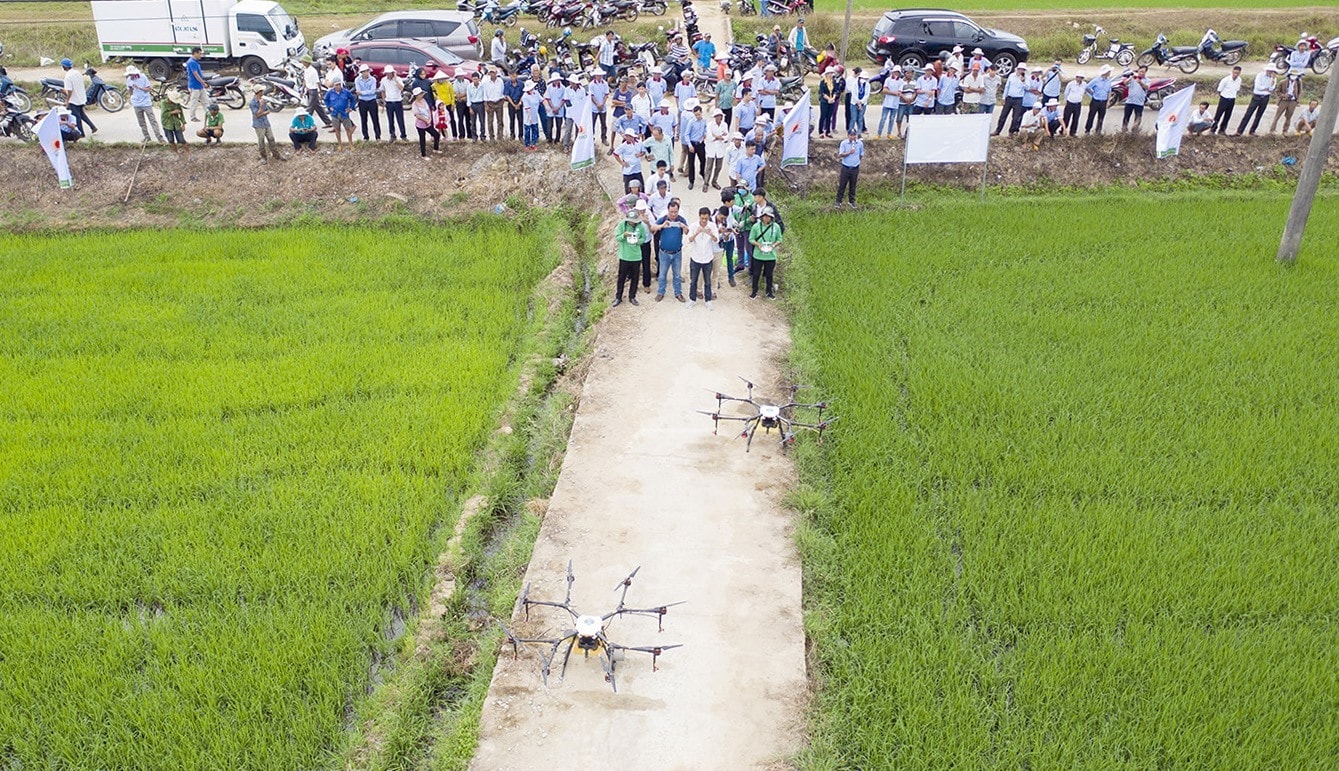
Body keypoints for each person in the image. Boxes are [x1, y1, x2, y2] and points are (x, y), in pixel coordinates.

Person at [613, 202, 650, 307]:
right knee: (621, 277)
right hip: (624, 256)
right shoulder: (622, 225)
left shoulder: (640, 226)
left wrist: (638, 241)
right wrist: (624, 235)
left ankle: (632, 296)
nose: (632, 223)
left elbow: (644, 238)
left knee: (635, 277)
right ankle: (618, 297)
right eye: (631, 221)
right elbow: (617, 238)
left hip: (636, 257)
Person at [652, 199, 688, 302]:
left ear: (678, 211)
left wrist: (683, 226)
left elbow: (687, 232)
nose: (673, 214)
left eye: (675, 212)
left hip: (677, 253)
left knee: (677, 275)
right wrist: (662, 226)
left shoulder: (681, 219)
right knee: (662, 274)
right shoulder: (663, 219)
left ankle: (678, 293)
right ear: (668, 210)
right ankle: (660, 292)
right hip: (664, 253)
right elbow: (653, 228)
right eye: (671, 212)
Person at [686, 206, 719, 308]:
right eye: (702, 218)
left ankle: (708, 300)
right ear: (699, 217)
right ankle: (692, 299)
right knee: (693, 280)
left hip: (708, 258)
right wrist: (697, 232)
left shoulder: (712, 226)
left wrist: (711, 233)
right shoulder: (693, 226)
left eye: (706, 219)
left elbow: (716, 240)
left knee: (707, 281)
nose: (704, 221)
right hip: (696, 257)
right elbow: (689, 240)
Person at [748, 207, 782, 299]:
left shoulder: (776, 227)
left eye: (768, 217)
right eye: (764, 216)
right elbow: (751, 239)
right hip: (758, 255)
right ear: (761, 217)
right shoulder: (756, 226)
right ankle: (754, 291)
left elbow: (779, 239)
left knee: (769, 274)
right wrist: (758, 245)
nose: (766, 218)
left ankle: (769, 292)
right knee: (756, 274)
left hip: (770, 256)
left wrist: (773, 246)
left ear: (772, 217)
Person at [125, 65, 164, 144]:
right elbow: (129, 91)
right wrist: (131, 90)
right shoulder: (129, 79)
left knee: (152, 121)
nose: (131, 76)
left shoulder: (143, 77)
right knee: (141, 122)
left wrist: (139, 88)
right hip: (136, 103)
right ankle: (147, 137)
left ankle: (159, 138)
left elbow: (149, 89)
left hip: (146, 103)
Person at [1236, 65, 1277, 136]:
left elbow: (1271, 88)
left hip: (1265, 98)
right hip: (1257, 96)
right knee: (1248, 114)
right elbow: (1258, 87)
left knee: (1259, 115)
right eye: (1269, 70)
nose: (1270, 72)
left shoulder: (1273, 78)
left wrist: (1272, 80)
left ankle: (1252, 131)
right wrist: (1266, 88)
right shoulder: (1260, 75)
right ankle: (1239, 131)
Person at [249, 83, 285, 163]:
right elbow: (257, 115)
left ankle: (276, 155)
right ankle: (263, 157)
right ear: (258, 92)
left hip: (265, 123)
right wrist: (261, 107)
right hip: (259, 125)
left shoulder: (263, 100)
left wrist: (263, 112)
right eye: (261, 91)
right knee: (261, 141)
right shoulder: (253, 103)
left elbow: (267, 111)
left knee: (271, 139)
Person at [60, 58, 96, 136]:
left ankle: (81, 133)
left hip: (74, 100)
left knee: (77, 117)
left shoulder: (67, 77)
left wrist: (67, 100)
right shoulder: (77, 73)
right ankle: (92, 127)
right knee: (82, 114)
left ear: (64, 67)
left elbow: (69, 91)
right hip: (81, 97)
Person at [324, 78, 356, 151]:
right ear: (334, 86)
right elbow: (326, 99)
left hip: (344, 113)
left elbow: (352, 99)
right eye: (336, 85)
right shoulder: (330, 92)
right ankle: (340, 144)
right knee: (337, 129)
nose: (338, 86)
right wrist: (329, 107)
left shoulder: (346, 92)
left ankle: (350, 144)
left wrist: (350, 108)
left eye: (339, 84)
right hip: (335, 113)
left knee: (348, 129)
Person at [301, 56, 332, 128]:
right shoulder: (306, 70)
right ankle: (328, 122)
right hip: (308, 90)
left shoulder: (313, 71)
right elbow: (305, 81)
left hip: (313, 91)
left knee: (309, 108)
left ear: (306, 62)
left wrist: (320, 92)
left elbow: (318, 82)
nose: (302, 63)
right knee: (318, 108)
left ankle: (305, 124)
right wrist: (302, 90)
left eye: (303, 62)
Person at [353, 64, 382, 141]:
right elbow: (358, 91)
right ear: (361, 72)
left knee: (375, 119)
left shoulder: (373, 79)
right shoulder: (357, 80)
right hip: (362, 101)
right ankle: (365, 136)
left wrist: (362, 93)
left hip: (372, 101)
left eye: (367, 71)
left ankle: (378, 136)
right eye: (364, 71)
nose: (366, 73)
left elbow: (372, 91)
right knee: (363, 119)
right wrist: (364, 92)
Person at [835, 128, 862, 209]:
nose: (852, 137)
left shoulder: (860, 143)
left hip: (855, 168)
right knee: (842, 185)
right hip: (846, 168)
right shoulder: (844, 143)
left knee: (853, 185)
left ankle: (851, 201)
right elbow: (840, 155)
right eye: (851, 135)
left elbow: (861, 155)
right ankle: (838, 201)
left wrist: (856, 162)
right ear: (848, 135)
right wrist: (849, 152)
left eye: (854, 135)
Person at [379, 67, 407, 142]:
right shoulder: (383, 80)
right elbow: (382, 90)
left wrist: (395, 80)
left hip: (397, 101)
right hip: (389, 102)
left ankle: (403, 135)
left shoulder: (398, 79)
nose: (388, 74)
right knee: (390, 120)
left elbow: (401, 88)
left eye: (389, 73)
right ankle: (392, 135)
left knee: (400, 120)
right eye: (387, 73)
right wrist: (384, 100)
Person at [705, 108, 730, 189]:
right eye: (717, 116)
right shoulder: (710, 124)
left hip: (720, 149)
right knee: (709, 167)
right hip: (711, 148)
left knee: (718, 167)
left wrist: (717, 136)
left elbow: (727, 137)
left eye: (720, 116)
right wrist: (719, 136)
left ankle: (714, 181)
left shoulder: (724, 125)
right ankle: (706, 183)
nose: (719, 117)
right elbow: (709, 136)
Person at [410, 87, 439, 157]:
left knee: (436, 134)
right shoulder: (415, 104)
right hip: (420, 124)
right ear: (416, 95)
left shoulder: (423, 100)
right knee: (422, 139)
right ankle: (423, 155)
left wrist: (429, 118)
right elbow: (417, 115)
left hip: (428, 123)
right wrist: (426, 120)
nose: (422, 95)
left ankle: (435, 149)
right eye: (420, 94)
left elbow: (428, 110)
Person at [1213, 66, 1243, 135]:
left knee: (1228, 115)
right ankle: (1213, 129)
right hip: (1224, 98)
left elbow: (1237, 89)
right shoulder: (1225, 80)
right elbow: (1219, 90)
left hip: (1232, 99)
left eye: (1237, 73)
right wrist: (1224, 96)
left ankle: (1222, 130)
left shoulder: (1239, 80)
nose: (1236, 75)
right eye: (1234, 73)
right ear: (1232, 72)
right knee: (1218, 115)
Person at [1084, 65, 1112, 135]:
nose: (1110, 73)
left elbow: (1109, 91)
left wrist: (1108, 101)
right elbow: (1087, 87)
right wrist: (1093, 94)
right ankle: (1087, 130)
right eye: (1109, 71)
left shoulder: (1109, 81)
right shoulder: (1096, 80)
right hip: (1095, 101)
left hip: (1103, 101)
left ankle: (1098, 130)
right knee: (1091, 116)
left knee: (1101, 117)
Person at [715, 203, 737, 288]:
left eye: (724, 218)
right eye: (722, 218)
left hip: (729, 240)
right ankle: (715, 279)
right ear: (718, 214)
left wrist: (731, 232)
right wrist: (720, 233)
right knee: (717, 262)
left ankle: (731, 277)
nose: (723, 220)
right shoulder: (712, 220)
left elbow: (730, 227)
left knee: (729, 259)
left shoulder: (728, 217)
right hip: (720, 242)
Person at [160, 90, 188, 158]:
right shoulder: (164, 103)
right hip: (167, 124)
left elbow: (181, 113)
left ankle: (187, 152)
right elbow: (163, 115)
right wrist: (173, 112)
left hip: (176, 123)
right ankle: (176, 153)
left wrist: (183, 124)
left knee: (181, 140)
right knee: (171, 140)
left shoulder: (177, 104)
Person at [1121, 67, 1148, 133]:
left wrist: (1141, 83)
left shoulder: (1147, 80)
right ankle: (1124, 130)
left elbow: (1147, 87)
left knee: (1138, 118)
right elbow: (1125, 83)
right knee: (1126, 117)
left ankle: (1135, 131)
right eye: (1140, 71)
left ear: (1145, 72)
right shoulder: (1133, 78)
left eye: (1143, 72)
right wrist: (1130, 78)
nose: (1141, 73)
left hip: (1139, 102)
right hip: (1130, 101)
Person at [431, 71, 457, 140]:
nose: (441, 80)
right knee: (441, 120)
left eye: (442, 78)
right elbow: (433, 94)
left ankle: (455, 135)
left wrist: (453, 104)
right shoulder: (434, 86)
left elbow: (452, 95)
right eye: (439, 79)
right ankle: (444, 136)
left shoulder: (449, 84)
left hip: (448, 104)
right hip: (440, 105)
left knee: (452, 119)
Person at [483, 67, 505, 141]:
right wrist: (486, 105)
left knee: (500, 121)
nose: (492, 74)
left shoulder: (500, 81)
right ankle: (491, 137)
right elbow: (485, 94)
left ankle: (500, 136)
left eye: (493, 72)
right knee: (490, 121)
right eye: (491, 72)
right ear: (489, 73)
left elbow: (502, 92)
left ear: (496, 73)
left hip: (499, 102)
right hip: (490, 103)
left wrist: (502, 101)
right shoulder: (486, 82)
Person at [588, 69, 610, 144]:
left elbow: (606, 94)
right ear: (595, 76)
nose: (599, 77)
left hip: (602, 107)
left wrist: (602, 104)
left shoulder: (605, 83)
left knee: (603, 124)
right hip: (594, 107)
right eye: (598, 75)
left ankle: (604, 138)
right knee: (592, 124)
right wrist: (597, 104)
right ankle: (592, 138)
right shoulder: (591, 84)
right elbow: (591, 96)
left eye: (600, 75)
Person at [185, 47, 206, 122]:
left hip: (199, 85)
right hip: (194, 85)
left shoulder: (195, 61)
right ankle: (192, 116)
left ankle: (209, 114)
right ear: (195, 53)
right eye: (199, 54)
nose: (200, 55)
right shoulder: (191, 62)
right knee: (194, 102)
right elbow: (195, 74)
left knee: (205, 101)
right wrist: (203, 82)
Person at [521, 80, 543, 150]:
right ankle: (527, 145)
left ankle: (534, 144)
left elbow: (541, 100)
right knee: (527, 131)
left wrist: (547, 107)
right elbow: (527, 108)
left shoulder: (536, 93)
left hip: (535, 115)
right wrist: (530, 117)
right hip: (528, 116)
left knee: (535, 129)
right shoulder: (525, 97)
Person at [818, 69, 839, 138]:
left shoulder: (834, 81)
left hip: (832, 101)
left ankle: (828, 131)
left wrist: (833, 98)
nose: (830, 75)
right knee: (823, 116)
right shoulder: (822, 82)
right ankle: (821, 131)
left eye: (831, 73)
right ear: (826, 74)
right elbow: (822, 92)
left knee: (829, 117)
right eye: (829, 73)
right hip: (824, 101)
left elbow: (836, 91)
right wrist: (828, 99)